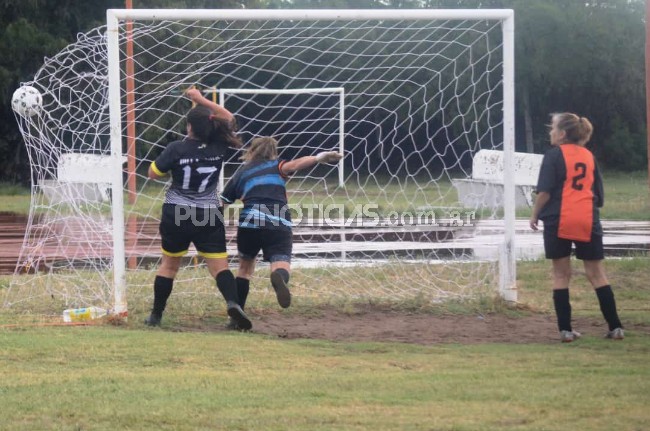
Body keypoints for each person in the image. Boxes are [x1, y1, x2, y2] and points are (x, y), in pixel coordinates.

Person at [144, 88, 252, 330]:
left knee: (169, 265)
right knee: (220, 267)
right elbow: (229, 118)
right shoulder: (219, 147)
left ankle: (156, 316)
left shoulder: (176, 148)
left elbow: (152, 174)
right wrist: (201, 100)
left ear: (189, 127)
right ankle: (233, 303)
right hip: (207, 213)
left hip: (177, 212)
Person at [220, 136, 342, 330]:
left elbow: (222, 203)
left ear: (251, 151)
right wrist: (319, 157)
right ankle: (279, 277)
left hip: (249, 222)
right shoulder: (277, 166)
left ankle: (237, 316)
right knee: (280, 261)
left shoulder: (241, 173)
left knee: (244, 269)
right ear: (273, 153)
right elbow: (295, 165)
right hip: (278, 222)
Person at [530, 112, 624, 343]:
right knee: (597, 274)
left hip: (558, 219)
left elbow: (545, 193)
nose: (550, 132)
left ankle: (566, 330)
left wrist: (534, 215)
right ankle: (616, 327)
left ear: (562, 134)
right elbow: (598, 196)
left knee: (561, 274)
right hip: (587, 218)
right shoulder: (589, 156)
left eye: (552, 128)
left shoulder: (553, 156)